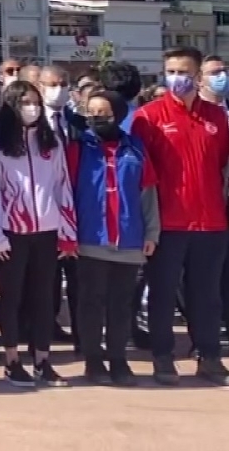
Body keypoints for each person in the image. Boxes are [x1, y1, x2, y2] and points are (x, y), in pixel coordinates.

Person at [130, 46, 229, 385]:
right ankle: (163, 357)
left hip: (211, 222)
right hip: (167, 224)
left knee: (207, 294)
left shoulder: (217, 117)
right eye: (171, 70)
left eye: (183, 71)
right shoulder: (149, 116)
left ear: (198, 75)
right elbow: (141, 173)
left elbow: (219, 164)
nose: (176, 77)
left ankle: (209, 357)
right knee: (162, 293)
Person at [0, 80, 76, 388]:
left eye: (35, 102)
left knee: (43, 298)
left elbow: (63, 185)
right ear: (12, 106)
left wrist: (67, 230)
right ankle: (11, 360)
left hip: (48, 231)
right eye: (25, 102)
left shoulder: (51, 143)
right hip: (12, 233)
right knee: (11, 298)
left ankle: (42, 360)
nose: (32, 108)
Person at [69, 90, 159, 385]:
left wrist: (151, 232)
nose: (96, 117)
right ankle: (93, 360)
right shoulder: (79, 147)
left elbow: (148, 194)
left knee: (122, 304)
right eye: (91, 111)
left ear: (118, 115)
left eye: (103, 112)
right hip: (90, 237)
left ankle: (119, 359)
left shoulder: (136, 149)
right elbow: (65, 191)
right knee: (91, 302)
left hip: (129, 238)